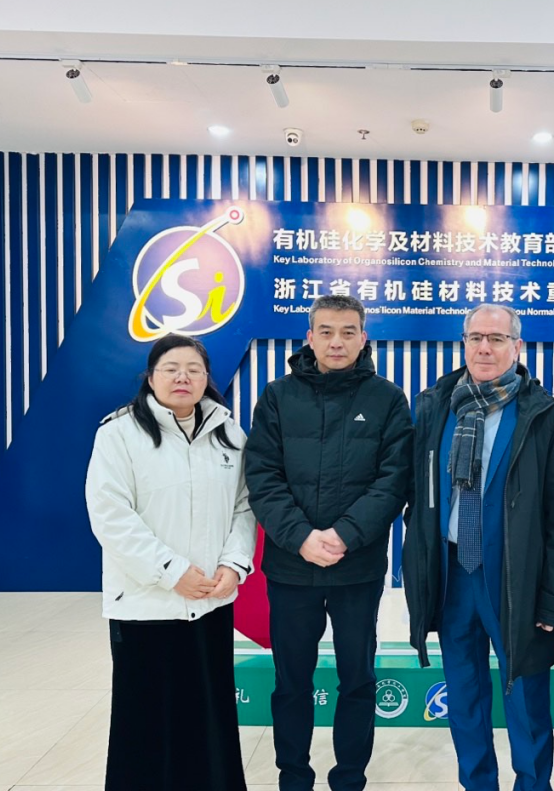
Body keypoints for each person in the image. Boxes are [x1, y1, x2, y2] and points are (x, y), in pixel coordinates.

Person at [402, 303, 554, 791]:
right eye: (476, 337)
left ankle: (532, 785)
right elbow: (418, 494)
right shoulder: (435, 406)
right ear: (463, 343)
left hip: (517, 579)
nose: (485, 347)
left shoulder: (544, 414)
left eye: (497, 339)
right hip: (453, 575)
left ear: (516, 347)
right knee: (464, 697)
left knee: (526, 697)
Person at [245, 294, 413, 791]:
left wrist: (344, 535)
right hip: (290, 567)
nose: (336, 341)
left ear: (363, 338)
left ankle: (349, 778)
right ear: (310, 338)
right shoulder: (277, 396)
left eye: (347, 332)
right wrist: (300, 537)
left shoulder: (387, 399)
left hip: (357, 567)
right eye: (326, 331)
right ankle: (293, 777)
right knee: (291, 682)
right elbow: (262, 476)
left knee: (357, 680)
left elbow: (394, 480)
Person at [85, 333, 256, 791]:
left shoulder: (229, 434)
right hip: (146, 603)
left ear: (206, 378)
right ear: (151, 376)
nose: (183, 377)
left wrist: (234, 564)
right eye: (171, 368)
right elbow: (110, 514)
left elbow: (245, 507)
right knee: (145, 721)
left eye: (194, 370)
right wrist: (172, 572)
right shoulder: (119, 434)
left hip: (211, 600)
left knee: (208, 715)